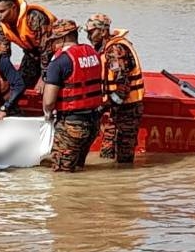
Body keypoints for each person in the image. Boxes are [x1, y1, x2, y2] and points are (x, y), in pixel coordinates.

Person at [41, 20, 103, 172]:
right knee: (78, 168)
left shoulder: (59, 62)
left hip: (71, 125)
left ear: (62, 38)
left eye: (54, 40)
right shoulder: (93, 53)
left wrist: (47, 114)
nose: (52, 44)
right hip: (93, 123)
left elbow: (49, 101)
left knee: (62, 174)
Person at [85, 13, 145, 164]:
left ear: (103, 31)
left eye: (91, 32)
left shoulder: (115, 50)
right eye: (87, 32)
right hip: (113, 109)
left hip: (126, 110)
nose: (88, 36)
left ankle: (124, 184)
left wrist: (102, 107)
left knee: (124, 157)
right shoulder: (105, 48)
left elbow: (123, 88)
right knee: (107, 152)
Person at [0, 0, 57, 91]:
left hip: (55, 56)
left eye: (2, 11)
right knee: (19, 86)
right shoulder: (2, 24)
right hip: (32, 55)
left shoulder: (34, 17)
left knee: (46, 87)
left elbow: (47, 49)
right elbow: (4, 53)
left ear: (13, 7)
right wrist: (2, 75)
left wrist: (45, 77)